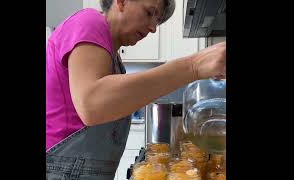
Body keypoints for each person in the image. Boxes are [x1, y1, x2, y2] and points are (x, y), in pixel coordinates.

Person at [46, 0, 226, 179]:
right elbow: (92, 104)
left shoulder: (113, 59)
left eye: (157, 21)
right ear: (122, 2)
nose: (153, 28)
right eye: (149, 13)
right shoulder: (88, 21)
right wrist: (193, 66)